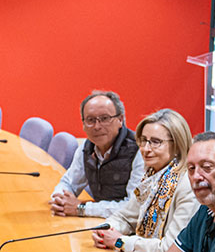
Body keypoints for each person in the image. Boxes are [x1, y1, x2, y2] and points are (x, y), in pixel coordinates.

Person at [91, 108, 199, 252]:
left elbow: (170, 249)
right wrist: (106, 230)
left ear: (177, 145)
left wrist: (120, 242)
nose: (145, 149)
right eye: (143, 141)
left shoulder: (188, 186)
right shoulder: (152, 176)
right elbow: (125, 218)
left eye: (156, 142)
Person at [49, 90, 145, 218]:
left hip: (131, 230)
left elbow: (133, 209)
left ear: (120, 119)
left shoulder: (140, 151)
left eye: (105, 119)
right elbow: (68, 183)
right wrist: (60, 199)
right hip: (100, 222)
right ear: (83, 124)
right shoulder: (87, 147)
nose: (97, 126)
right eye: (90, 120)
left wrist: (81, 208)